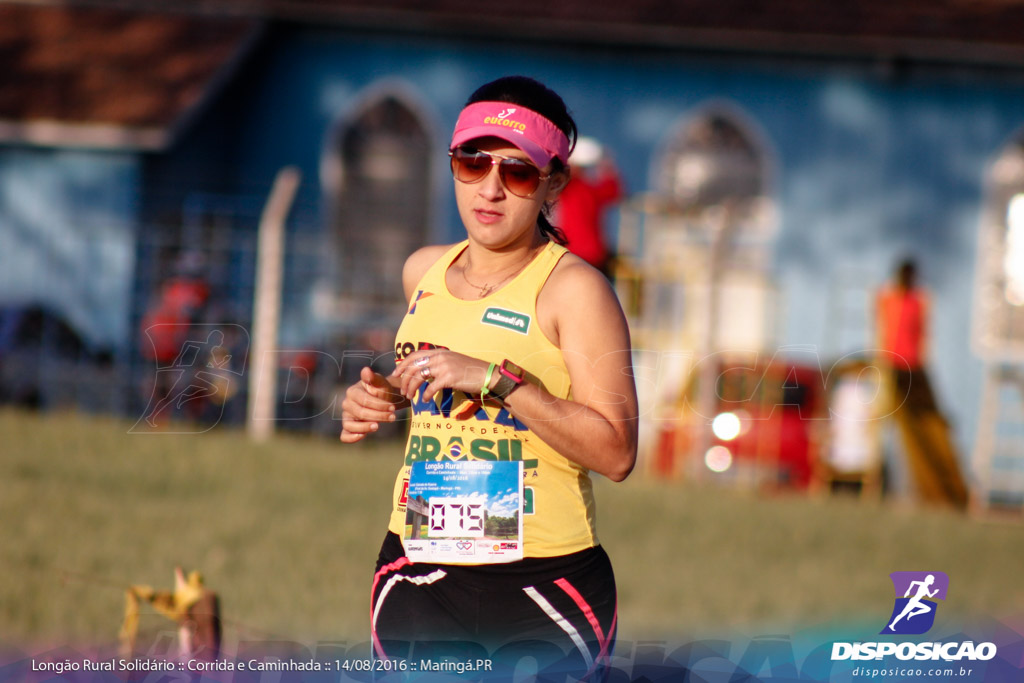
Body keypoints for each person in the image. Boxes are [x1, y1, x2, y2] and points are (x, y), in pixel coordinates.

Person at [340, 76, 638, 679]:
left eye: (518, 172)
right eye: (472, 163)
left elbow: (616, 451)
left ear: (553, 181)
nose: (491, 189)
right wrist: (380, 398)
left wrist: (499, 380)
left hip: (542, 584)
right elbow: (432, 382)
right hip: (420, 567)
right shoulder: (421, 271)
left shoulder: (576, 291)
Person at [875, 258, 968, 508]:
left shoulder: (920, 300)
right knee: (888, 428)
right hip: (892, 367)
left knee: (924, 431)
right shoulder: (887, 297)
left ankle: (934, 492)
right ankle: (880, 487)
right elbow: (880, 328)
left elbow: (923, 333)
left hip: (913, 369)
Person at [554, 136, 623, 278]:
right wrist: (606, 164)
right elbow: (614, 189)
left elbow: (614, 190)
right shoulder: (588, 189)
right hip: (593, 254)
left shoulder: (574, 187)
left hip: (574, 253)